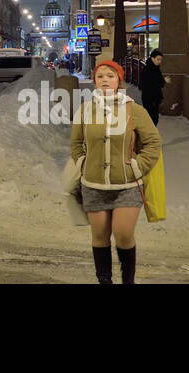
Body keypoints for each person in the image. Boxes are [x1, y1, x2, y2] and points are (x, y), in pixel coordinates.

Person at [70, 60, 161, 284]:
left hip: (127, 186)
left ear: (119, 80)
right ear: (95, 82)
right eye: (100, 76)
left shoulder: (134, 110)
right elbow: (76, 144)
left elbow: (153, 143)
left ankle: (127, 281)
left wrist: (138, 166)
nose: (105, 80)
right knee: (99, 236)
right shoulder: (85, 109)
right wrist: (83, 164)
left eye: (110, 76)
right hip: (94, 185)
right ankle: (105, 281)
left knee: (123, 234)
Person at [139, 51, 165, 127]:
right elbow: (153, 83)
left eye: (160, 60)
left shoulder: (155, 69)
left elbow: (159, 82)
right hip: (149, 98)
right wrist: (163, 81)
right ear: (152, 58)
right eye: (158, 59)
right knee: (151, 117)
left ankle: (150, 134)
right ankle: (149, 135)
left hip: (155, 97)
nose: (159, 62)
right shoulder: (148, 70)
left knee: (154, 117)